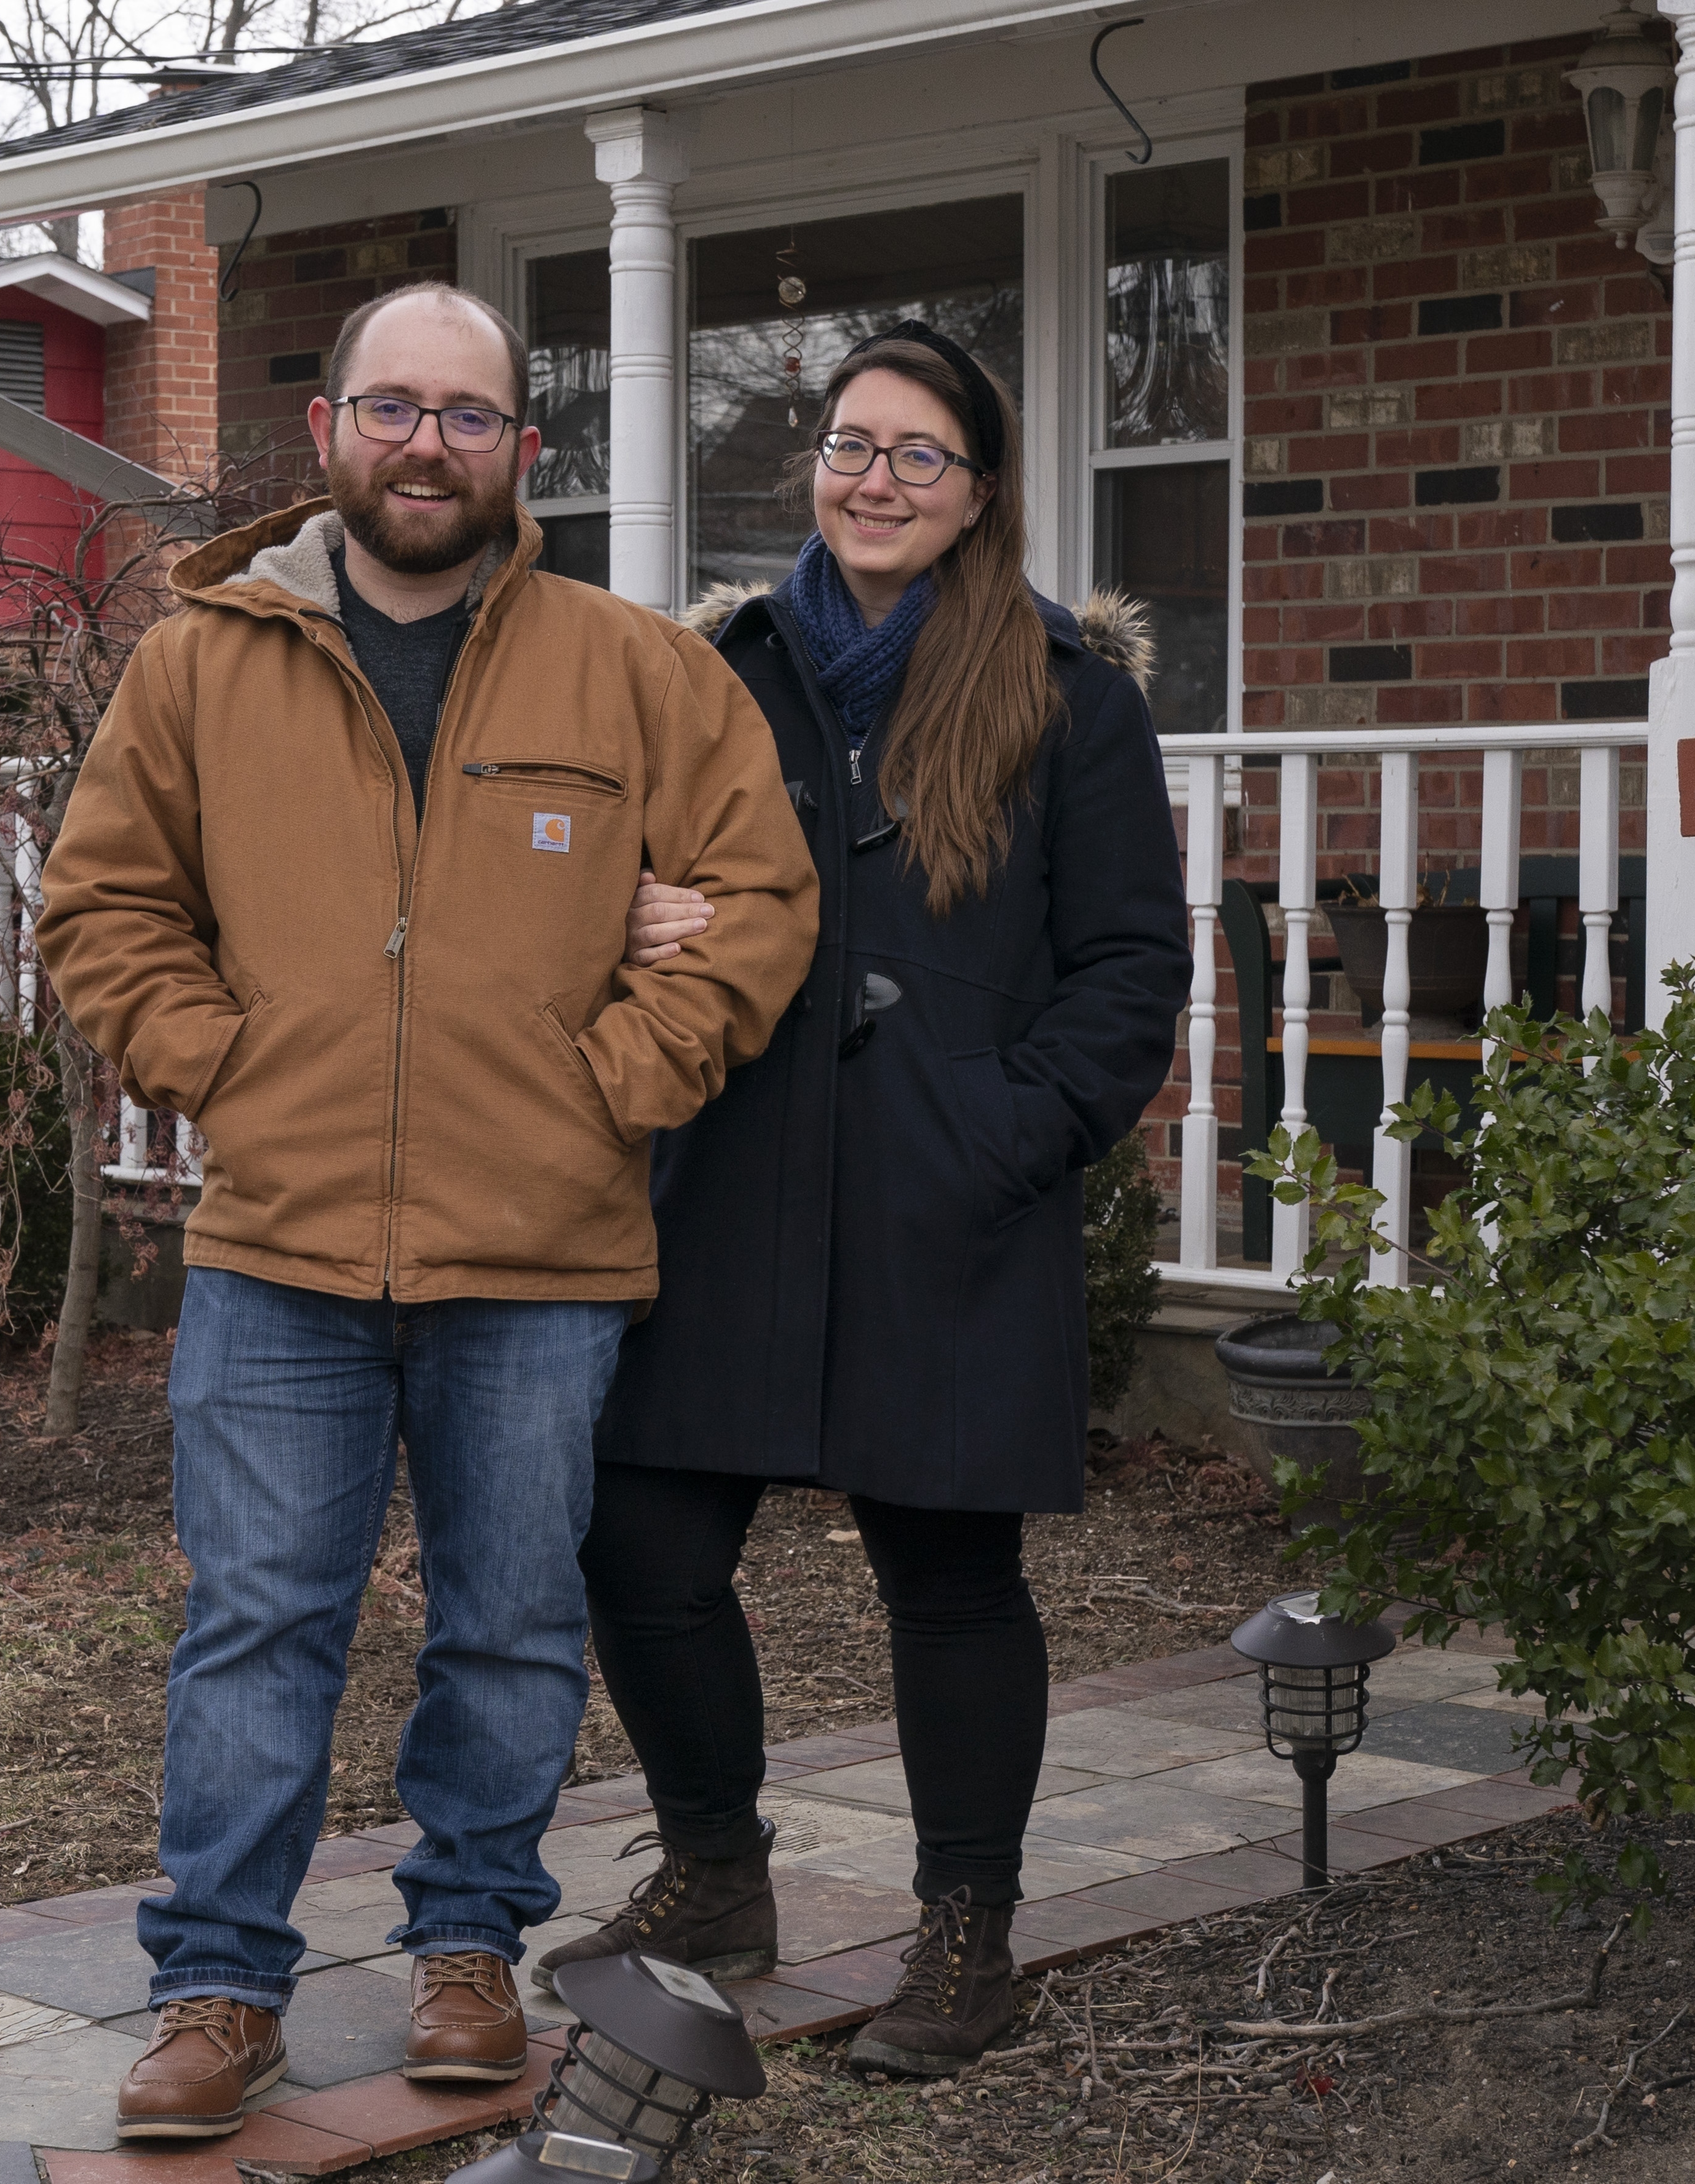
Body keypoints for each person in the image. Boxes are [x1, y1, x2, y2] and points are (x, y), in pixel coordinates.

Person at [36, 281, 820, 2142]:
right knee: (258, 1627)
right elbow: (101, 906)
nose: (426, 446)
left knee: (510, 1623)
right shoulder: (203, 660)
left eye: (468, 417)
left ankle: (469, 1951)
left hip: (539, 1253)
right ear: (326, 430)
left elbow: (761, 898)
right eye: (394, 408)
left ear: (519, 453)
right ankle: (219, 1988)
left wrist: (620, 1078)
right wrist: (216, 1060)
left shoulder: (629, 669)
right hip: (279, 1249)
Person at [535, 322, 1193, 2077]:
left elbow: (1132, 969)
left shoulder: (1069, 694)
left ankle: (968, 1936)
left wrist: (1003, 1135)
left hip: (946, 1193)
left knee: (953, 1579)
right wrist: (629, 921)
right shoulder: (717, 670)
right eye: (849, 444)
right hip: (728, 1173)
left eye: (919, 454)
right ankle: (717, 1872)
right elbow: (594, 873)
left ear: (980, 495)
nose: (874, 480)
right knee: (640, 1540)